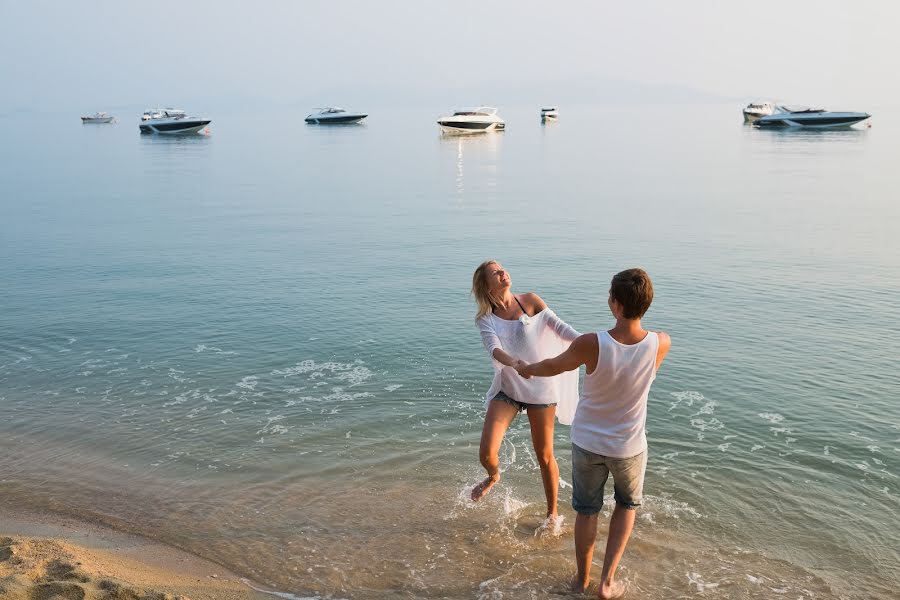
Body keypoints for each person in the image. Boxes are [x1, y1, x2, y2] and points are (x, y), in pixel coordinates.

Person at [516, 268, 671, 599]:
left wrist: (525, 368)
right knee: (626, 506)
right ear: (648, 303)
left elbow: (553, 366)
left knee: (587, 511)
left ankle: (581, 580)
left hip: (588, 442)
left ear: (613, 302)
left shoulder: (591, 343)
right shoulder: (661, 343)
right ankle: (607, 582)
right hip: (629, 445)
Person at [470, 260, 580, 523]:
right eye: (495, 273)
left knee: (544, 456)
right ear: (486, 285)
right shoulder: (486, 318)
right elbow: (494, 348)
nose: (503, 272)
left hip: (541, 388)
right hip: (509, 387)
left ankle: (552, 514)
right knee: (486, 453)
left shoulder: (530, 301)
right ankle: (494, 476)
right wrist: (516, 364)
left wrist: (588, 344)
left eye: (502, 268)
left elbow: (561, 328)